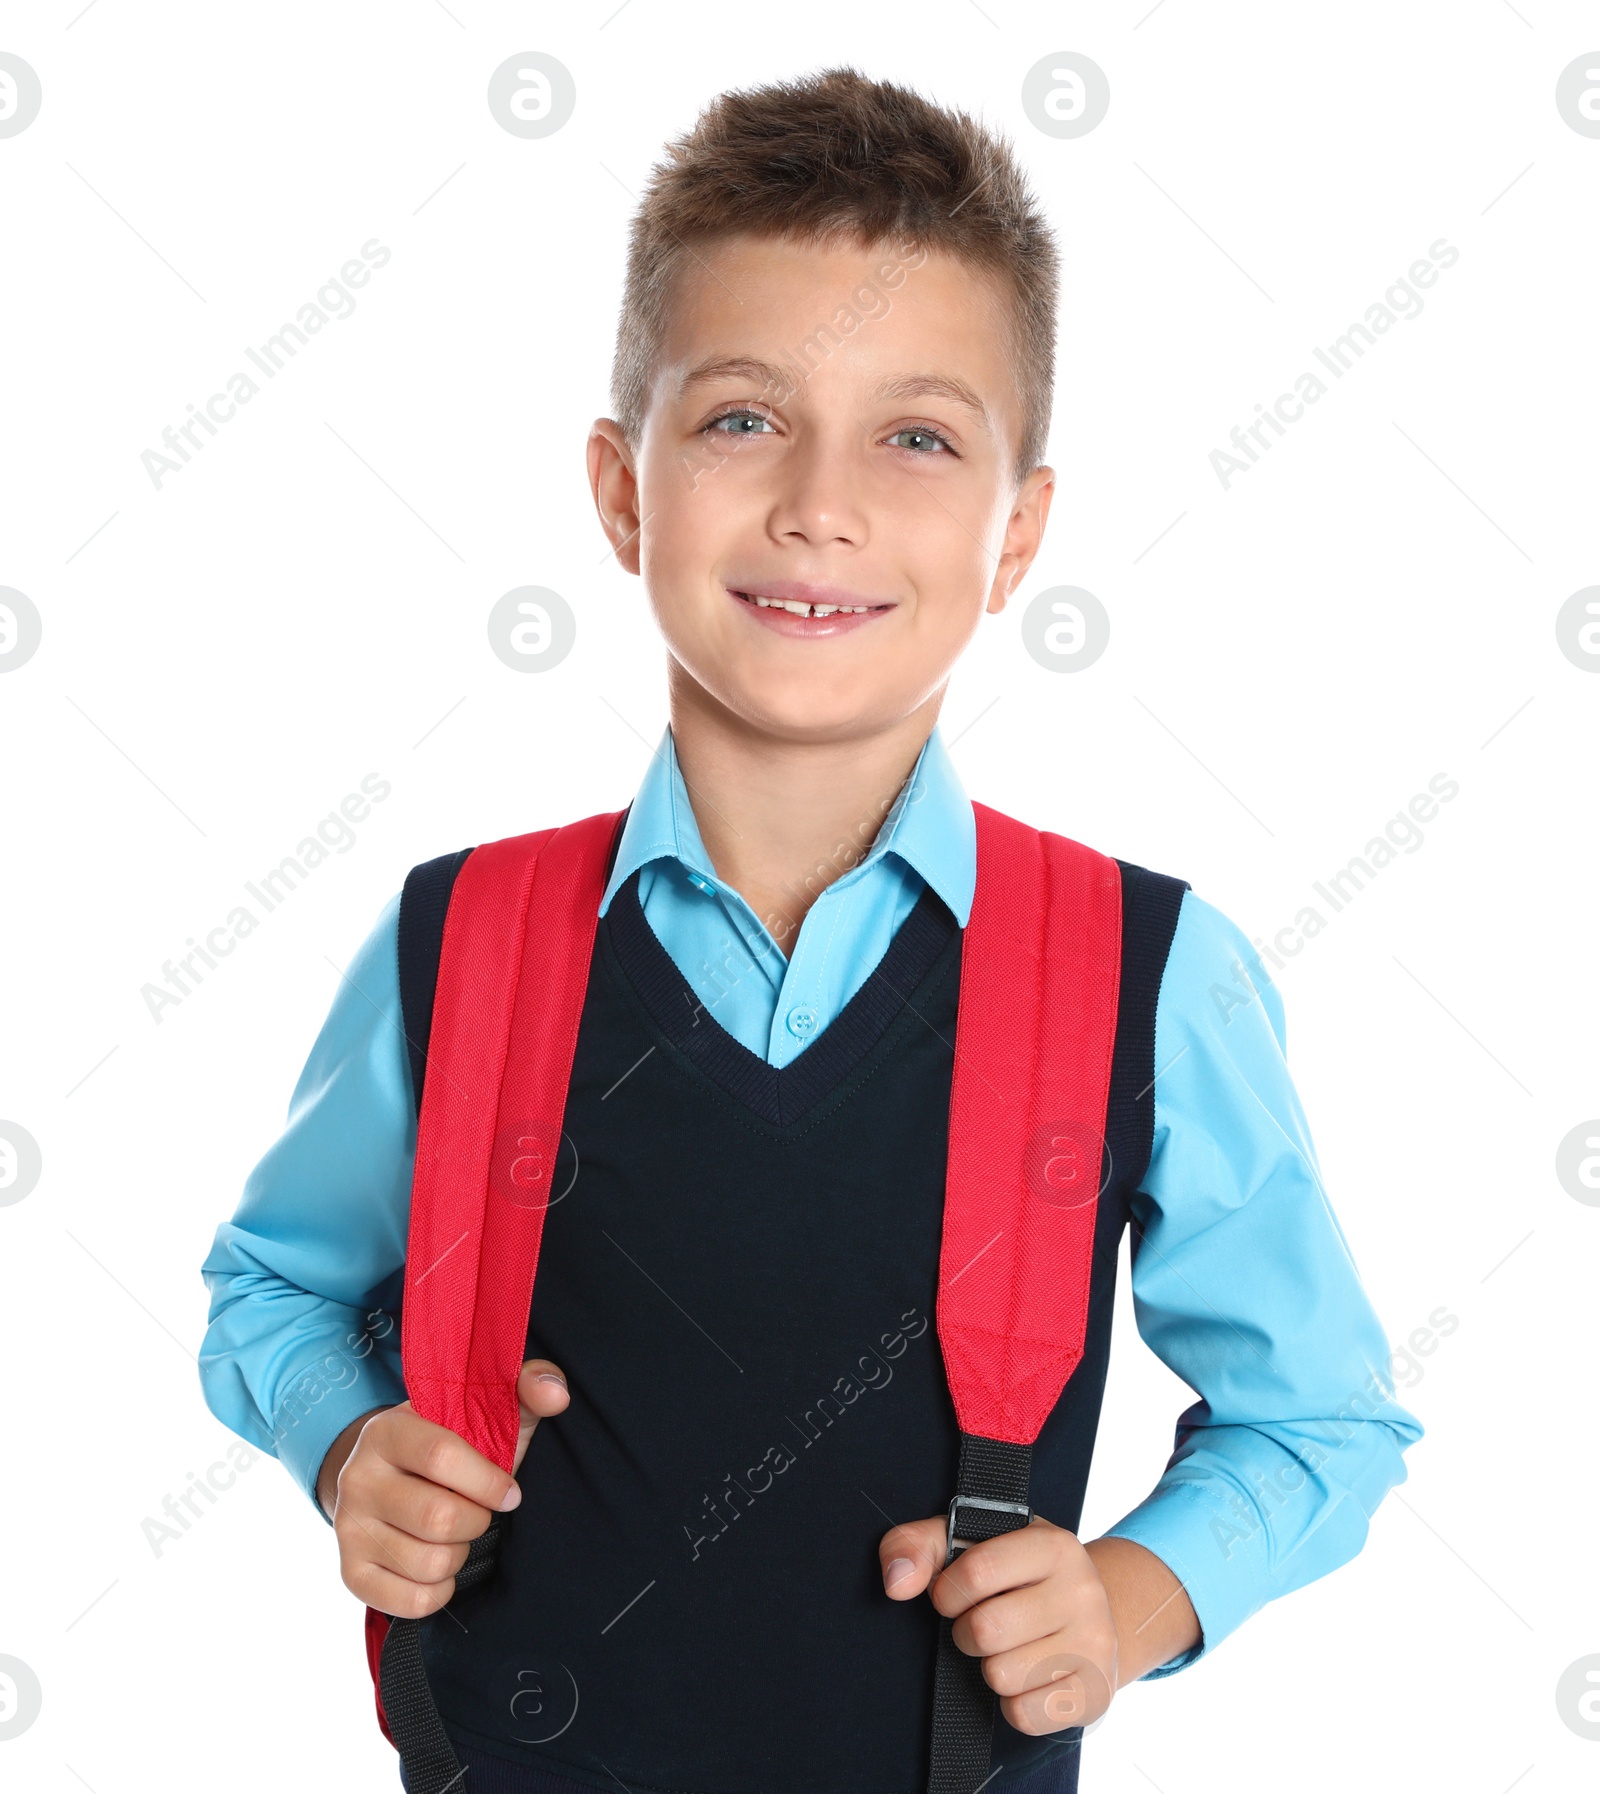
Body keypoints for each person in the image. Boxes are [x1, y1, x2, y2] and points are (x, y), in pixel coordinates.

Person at [198, 65, 1421, 1794]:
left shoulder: (1151, 972)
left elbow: (1326, 1418)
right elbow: (268, 1289)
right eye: (743, 418)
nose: (819, 505)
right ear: (625, 495)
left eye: (918, 437)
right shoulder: (456, 936)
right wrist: (348, 1448)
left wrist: (1138, 1596)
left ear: (1019, 537)